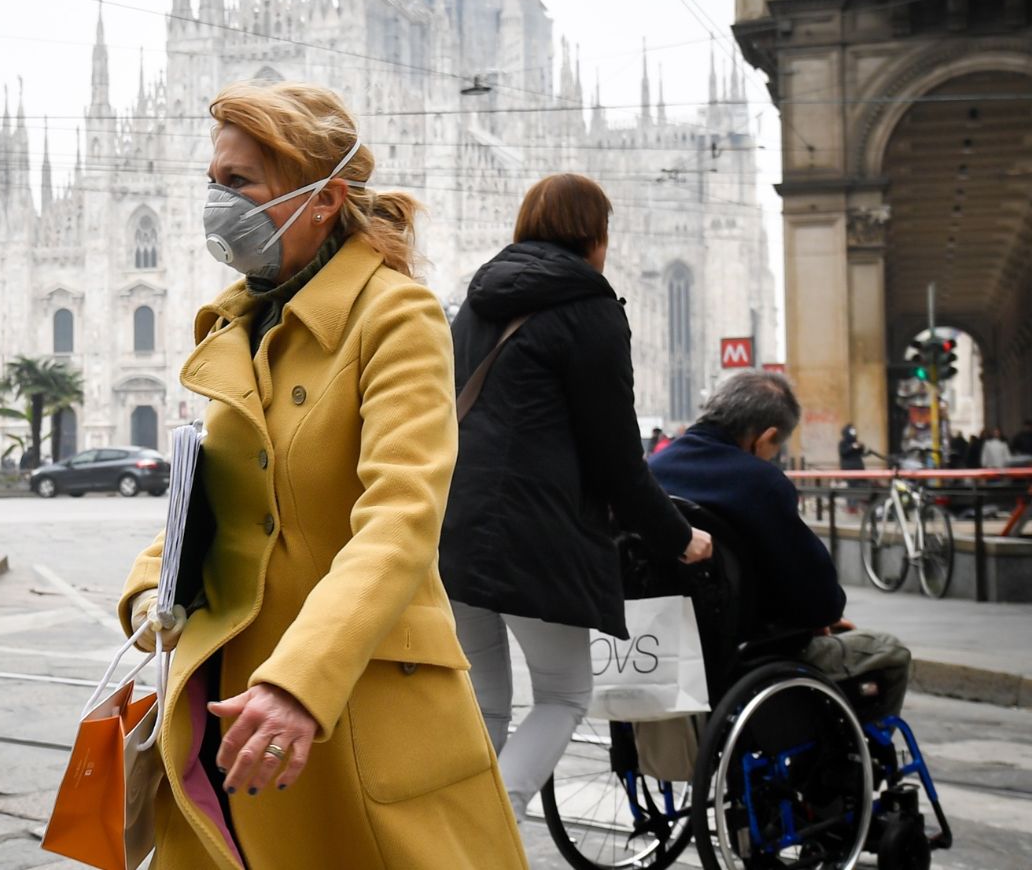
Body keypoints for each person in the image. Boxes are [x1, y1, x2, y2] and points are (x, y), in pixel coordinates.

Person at [119, 82, 526, 869]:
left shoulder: (395, 318)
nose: (216, 201)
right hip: (232, 689)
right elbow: (216, 495)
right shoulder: (240, 319)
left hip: (354, 696)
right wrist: (150, 584)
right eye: (214, 180)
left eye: (239, 184)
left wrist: (301, 681)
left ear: (323, 198)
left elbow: (401, 519)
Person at [439, 172, 712, 812]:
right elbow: (618, 459)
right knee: (563, 694)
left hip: (453, 527)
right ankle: (485, 847)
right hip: (536, 535)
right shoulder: (591, 311)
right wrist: (679, 538)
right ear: (593, 234)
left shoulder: (478, 304)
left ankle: (449, 838)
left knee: (483, 703)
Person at [650, 370, 911, 719]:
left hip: (659, 648)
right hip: (744, 656)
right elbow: (819, 599)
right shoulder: (760, 483)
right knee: (890, 652)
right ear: (766, 437)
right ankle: (855, 764)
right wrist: (827, 618)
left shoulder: (650, 473)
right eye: (775, 448)